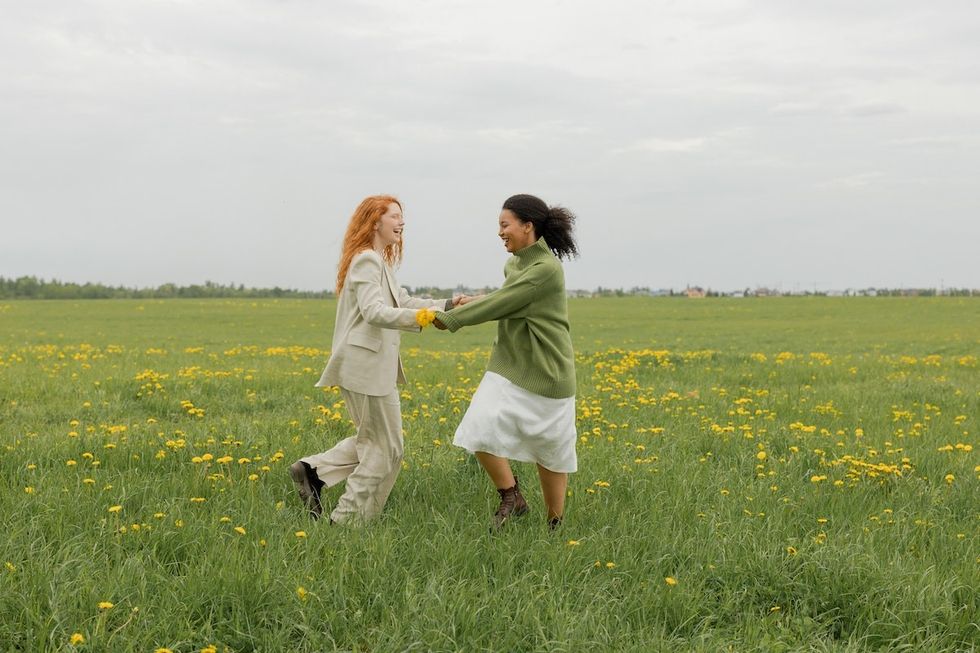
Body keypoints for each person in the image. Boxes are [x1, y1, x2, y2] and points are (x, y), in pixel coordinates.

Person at [290, 195, 458, 524]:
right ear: (374, 222)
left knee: (385, 445)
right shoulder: (366, 260)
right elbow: (373, 311)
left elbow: (404, 300)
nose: (401, 222)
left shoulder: (380, 261)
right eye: (394, 216)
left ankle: (313, 471)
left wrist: (450, 304)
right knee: (381, 449)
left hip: (372, 368)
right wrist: (424, 317)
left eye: (401, 217)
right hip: (363, 367)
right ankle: (345, 523)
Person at [434, 193, 579, 530]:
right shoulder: (515, 264)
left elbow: (506, 302)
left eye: (505, 224)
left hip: (548, 371)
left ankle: (555, 525)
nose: (500, 232)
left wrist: (453, 318)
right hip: (510, 366)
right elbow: (509, 296)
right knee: (478, 427)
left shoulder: (546, 269)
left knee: (551, 451)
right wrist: (477, 299)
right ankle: (511, 496)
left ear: (527, 226)